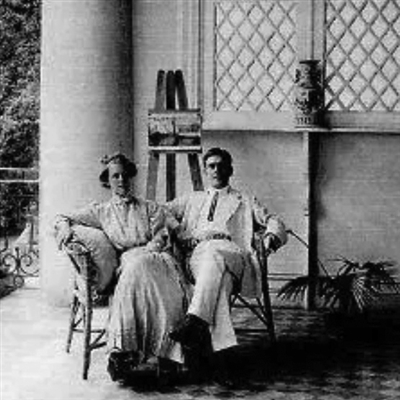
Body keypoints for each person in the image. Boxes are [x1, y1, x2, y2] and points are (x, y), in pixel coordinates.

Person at [54, 153, 188, 383]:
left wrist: (155, 244)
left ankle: (163, 354)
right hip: (128, 261)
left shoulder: (148, 207)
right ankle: (125, 352)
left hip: (157, 258)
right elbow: (62, 216)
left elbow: (163, 233)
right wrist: (64, 226)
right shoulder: (101, 211)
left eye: (125, 175)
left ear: (131, 177)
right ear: (108, 180)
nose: (121, 180)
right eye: (115, 176)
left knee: (149, 275)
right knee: (133, 271)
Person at [166, 147, 287, 379]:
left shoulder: (245, 200)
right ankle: (222, 355)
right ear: (205, 171)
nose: (216, 170)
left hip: (234, 255)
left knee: (215, 251)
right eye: (211, 166)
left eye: (221, 165)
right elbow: (159, 211)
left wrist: (271, 237)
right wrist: (179, 230)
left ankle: (196, 321)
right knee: (220, 284)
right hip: (199, 258)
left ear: (230, 170)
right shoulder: (193, 199)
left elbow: (274, 220)